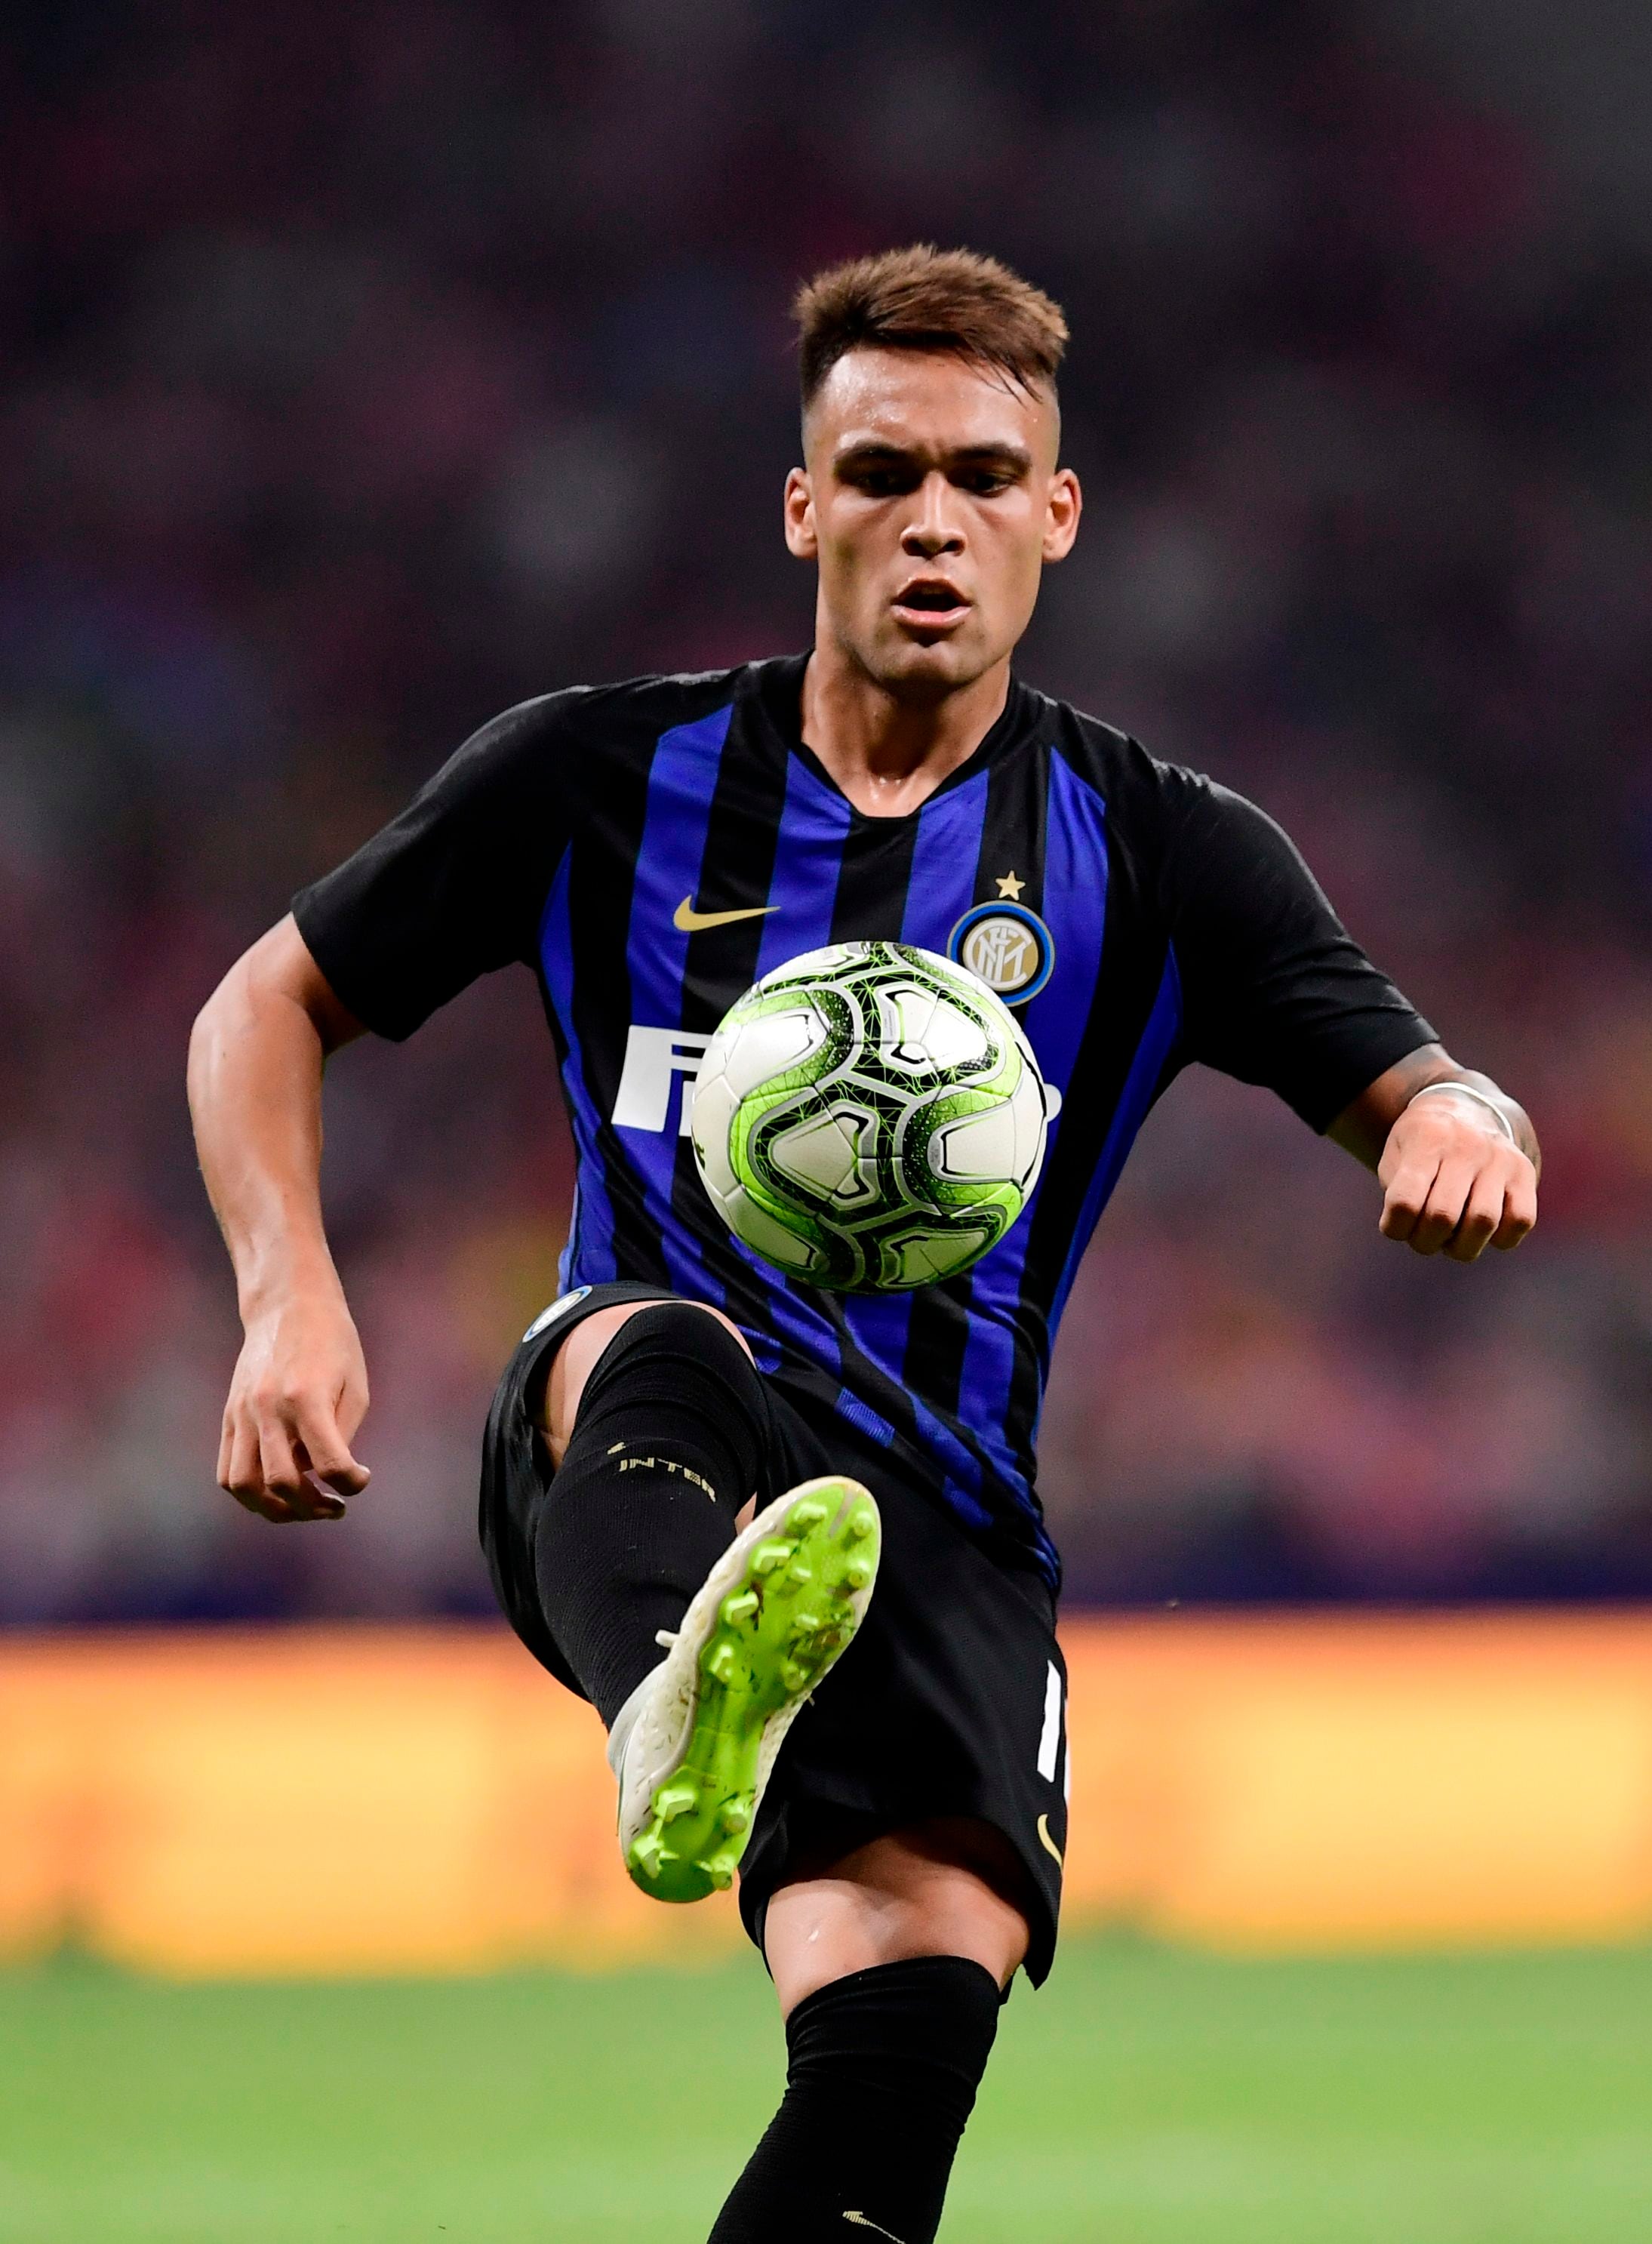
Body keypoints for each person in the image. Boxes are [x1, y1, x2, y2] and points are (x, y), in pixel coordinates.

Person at [186, 245, 1541, 2242]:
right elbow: (263, 1004)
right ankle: (678, 1689)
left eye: (986, 477)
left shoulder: (1158, 848)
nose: (935, 519)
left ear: (1057, 518)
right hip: (628, 1449)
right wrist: (287, 1289)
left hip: (942, 1529)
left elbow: (1433, 1080)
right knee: (658, 1336)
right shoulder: (600, 774)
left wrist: (1458, 1127)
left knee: (882, 2113)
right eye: (885, 469)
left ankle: (721, 1707)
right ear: (802, 504)